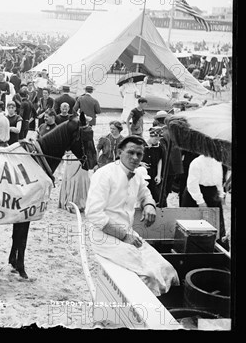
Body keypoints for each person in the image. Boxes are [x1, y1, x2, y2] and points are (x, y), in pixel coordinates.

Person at [85, 135, 179, 296]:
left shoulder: (137, 175)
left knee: (167, 270)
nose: (135, 158)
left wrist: (149, 205)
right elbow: (93, 214)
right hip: (104, 237)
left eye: (139, 154)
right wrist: (124, 236)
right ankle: (139, 316)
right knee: (148, 275)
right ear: (120, 152)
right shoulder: (104, 175)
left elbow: (145, 194)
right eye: (131, 152)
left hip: (129, 234)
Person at [181, 154, 228, 249]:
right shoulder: (196, 162)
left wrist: (221, 194)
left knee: (217, 226)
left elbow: (219, 180)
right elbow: (192, 184)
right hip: (195, 195)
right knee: (193, 227)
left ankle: (217, 252)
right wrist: (201, 202)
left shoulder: (218, 161)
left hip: (212, 193)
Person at [143, 127, 163, 206]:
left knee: (155, 194)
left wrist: (158, 175)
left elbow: (160, 161)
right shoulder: (142, 146)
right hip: (144, 172)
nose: (157, 141)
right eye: (155, 139)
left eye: (158, 139)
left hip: (154, 172)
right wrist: (140, 163)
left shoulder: (159, 147)